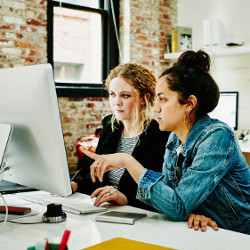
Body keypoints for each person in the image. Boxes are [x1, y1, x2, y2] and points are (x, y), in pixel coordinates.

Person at [80, 51, 250, 235]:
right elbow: (168, 200)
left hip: (239, 234)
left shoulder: (218, 137)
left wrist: (125, 160)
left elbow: (175, 207)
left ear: (189, 104)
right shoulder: (174, 139)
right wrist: (189, 212)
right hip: (206, 232)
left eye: (162, 99)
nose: (155, 108)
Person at [71, 63, 170, 211]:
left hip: (140, 219)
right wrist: (76, 186)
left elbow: (161, 196)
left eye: (125, 95)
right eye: (112, 94)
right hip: (105, 213)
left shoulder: (160, 136)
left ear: (144, 98)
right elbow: (96, 182)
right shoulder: (110, 130)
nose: (116, 102)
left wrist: (125, 199)